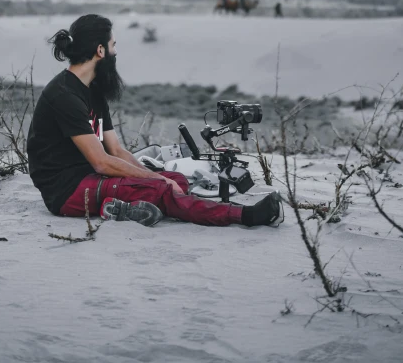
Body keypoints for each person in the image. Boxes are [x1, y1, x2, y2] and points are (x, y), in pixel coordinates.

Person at [27, 14, 283, 228]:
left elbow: (115, 150)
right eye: (113, 46)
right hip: (67, 191)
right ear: (100, 50)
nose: (116, 52)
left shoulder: (93, 91)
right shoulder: (64, 96)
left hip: (90, 176)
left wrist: (156, 174)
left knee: (177, 180)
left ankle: (118, 207)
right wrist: (157, 181)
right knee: (163, 189)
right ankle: (242, 215)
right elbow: (102, 162)